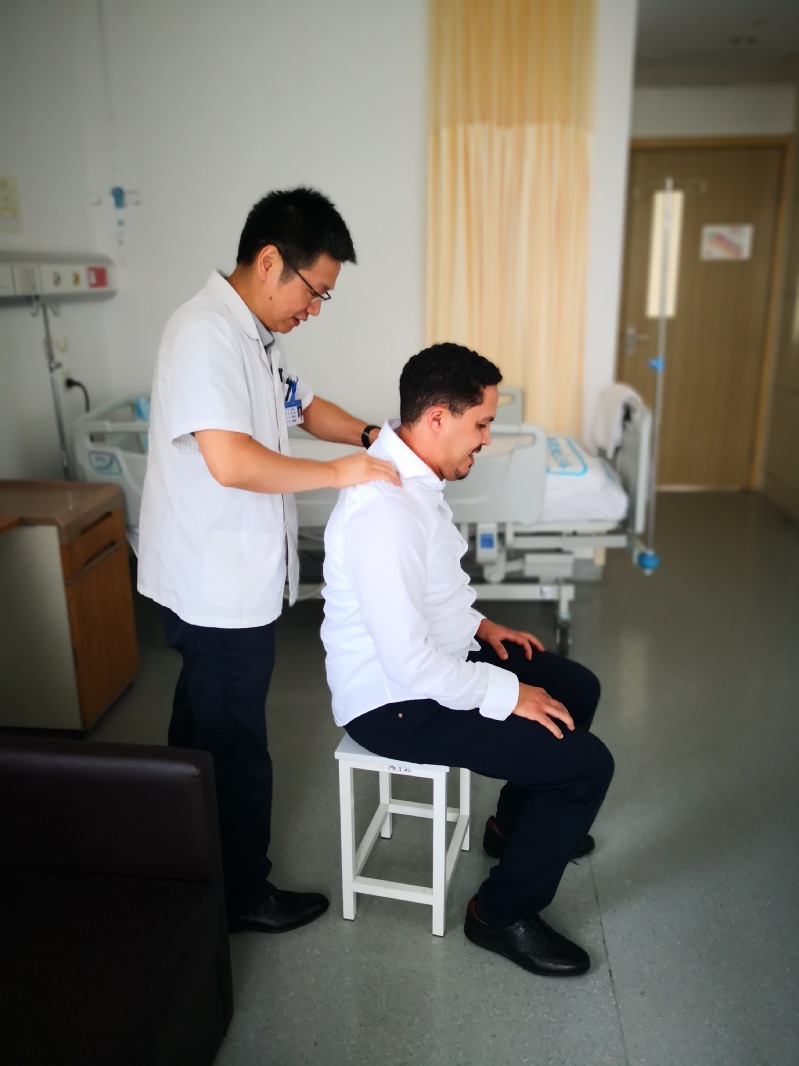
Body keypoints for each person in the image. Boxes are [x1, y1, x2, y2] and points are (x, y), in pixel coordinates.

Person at [137, 187, 400, 934]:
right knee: (234, 744)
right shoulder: (205, 333)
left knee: (200, 725)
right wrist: (339, 473)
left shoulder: (256, 335)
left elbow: (304, 407)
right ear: (269, 261)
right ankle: (243, 895)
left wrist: (374, 438)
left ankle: (184, 856)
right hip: (214, 584)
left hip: (224, 577)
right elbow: (229, 460)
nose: (315, 308)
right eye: (314, 291)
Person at [321, 342, 614, 976]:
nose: (486, 438)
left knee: (576, 688)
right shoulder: (384, 511)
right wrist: (509, 694)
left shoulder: (412, 476)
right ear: (437, 419)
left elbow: (429, 590)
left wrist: (482, 627)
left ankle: (513, 830)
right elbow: (408, 664)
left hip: (432, 664)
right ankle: (499, 915)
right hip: (394, 703)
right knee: (586, 768)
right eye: (481, 424)